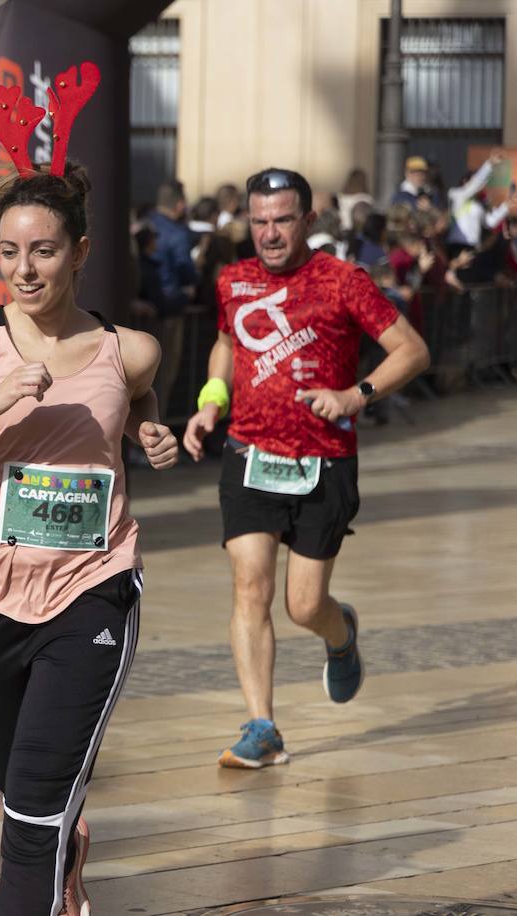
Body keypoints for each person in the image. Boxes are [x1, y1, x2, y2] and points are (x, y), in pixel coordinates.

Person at [0, 164, 179, 913]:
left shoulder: (130, 348)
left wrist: (146, 424)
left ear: (79, 252)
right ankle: (65, 846)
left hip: (92, 591)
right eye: (10, 253)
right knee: (21, 783)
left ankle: (48, 858)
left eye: (43, 251)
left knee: (32, 810)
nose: (24, 269)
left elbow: (139, 390)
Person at [182, 167, 430, 769]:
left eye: (283, 220)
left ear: (309, 221)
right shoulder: (232, 279)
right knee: (250, 587)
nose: (269, 233)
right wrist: (210, 403)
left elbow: (414, 351)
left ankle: (339, 634)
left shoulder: (344, 281)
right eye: (259, 220)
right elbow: (226, 343)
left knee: (302, 606)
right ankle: (261, 726)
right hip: (249, 455)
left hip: (324, 463)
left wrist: (355, 395)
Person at [148, 179, 198, 418]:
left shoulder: (146, 224)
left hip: (142, 311)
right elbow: (187, 272)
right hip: (169, 313)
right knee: (163, 377)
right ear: (179, 205)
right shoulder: (178, 235)